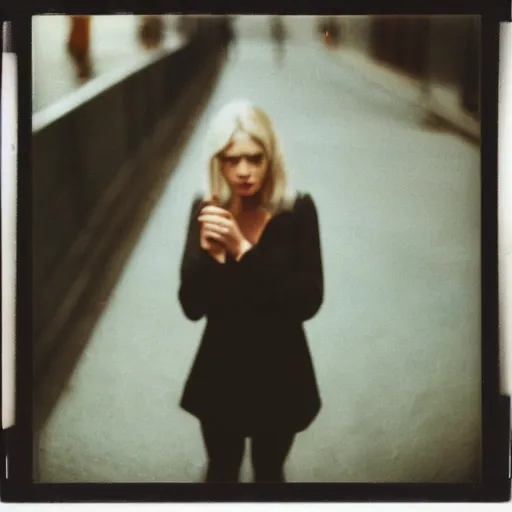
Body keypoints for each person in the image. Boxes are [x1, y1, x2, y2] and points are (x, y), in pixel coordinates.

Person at [178, 99, 324, 483]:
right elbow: (191, 306)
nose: (243, 171)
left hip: (281, 368)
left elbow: (308, 301)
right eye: (231, 160)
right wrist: (211, 256)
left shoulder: (297, 210)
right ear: (218, 162)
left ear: (270, 158)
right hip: (222, 366)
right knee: (222, 471)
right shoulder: (208, 207)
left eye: (254, 159)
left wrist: (242, 251)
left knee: (269, 472)